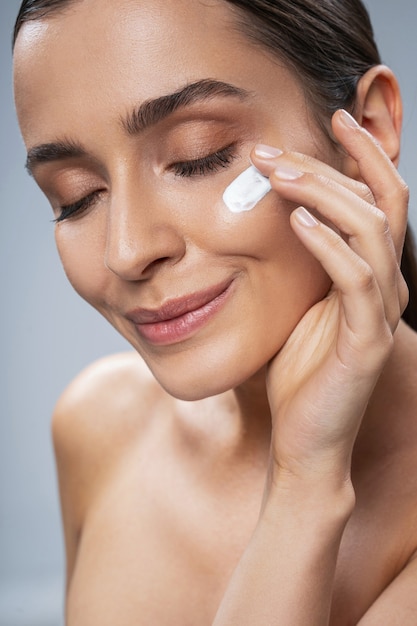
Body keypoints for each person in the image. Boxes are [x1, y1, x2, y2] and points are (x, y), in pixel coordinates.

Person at [12, 0, 417, 623]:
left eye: (199, 156)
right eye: (75, 198)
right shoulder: (99, 427)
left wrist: (304, 487)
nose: (126, 250)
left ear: (366, 127)